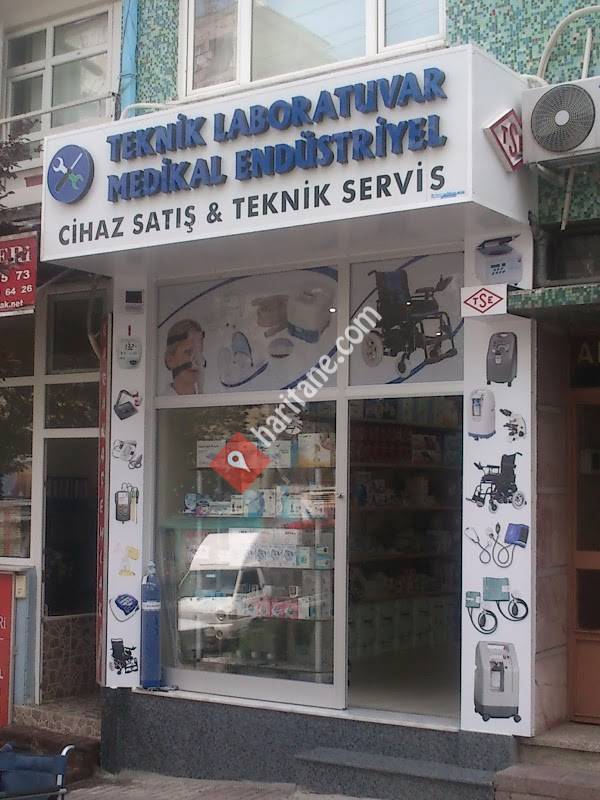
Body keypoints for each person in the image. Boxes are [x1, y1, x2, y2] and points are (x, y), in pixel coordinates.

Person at [164, 319, 206, 395]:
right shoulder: (161, 401)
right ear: (170, 360)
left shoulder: (208, 397)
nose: (196, 360)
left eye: (198, 352)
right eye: (188, 352)